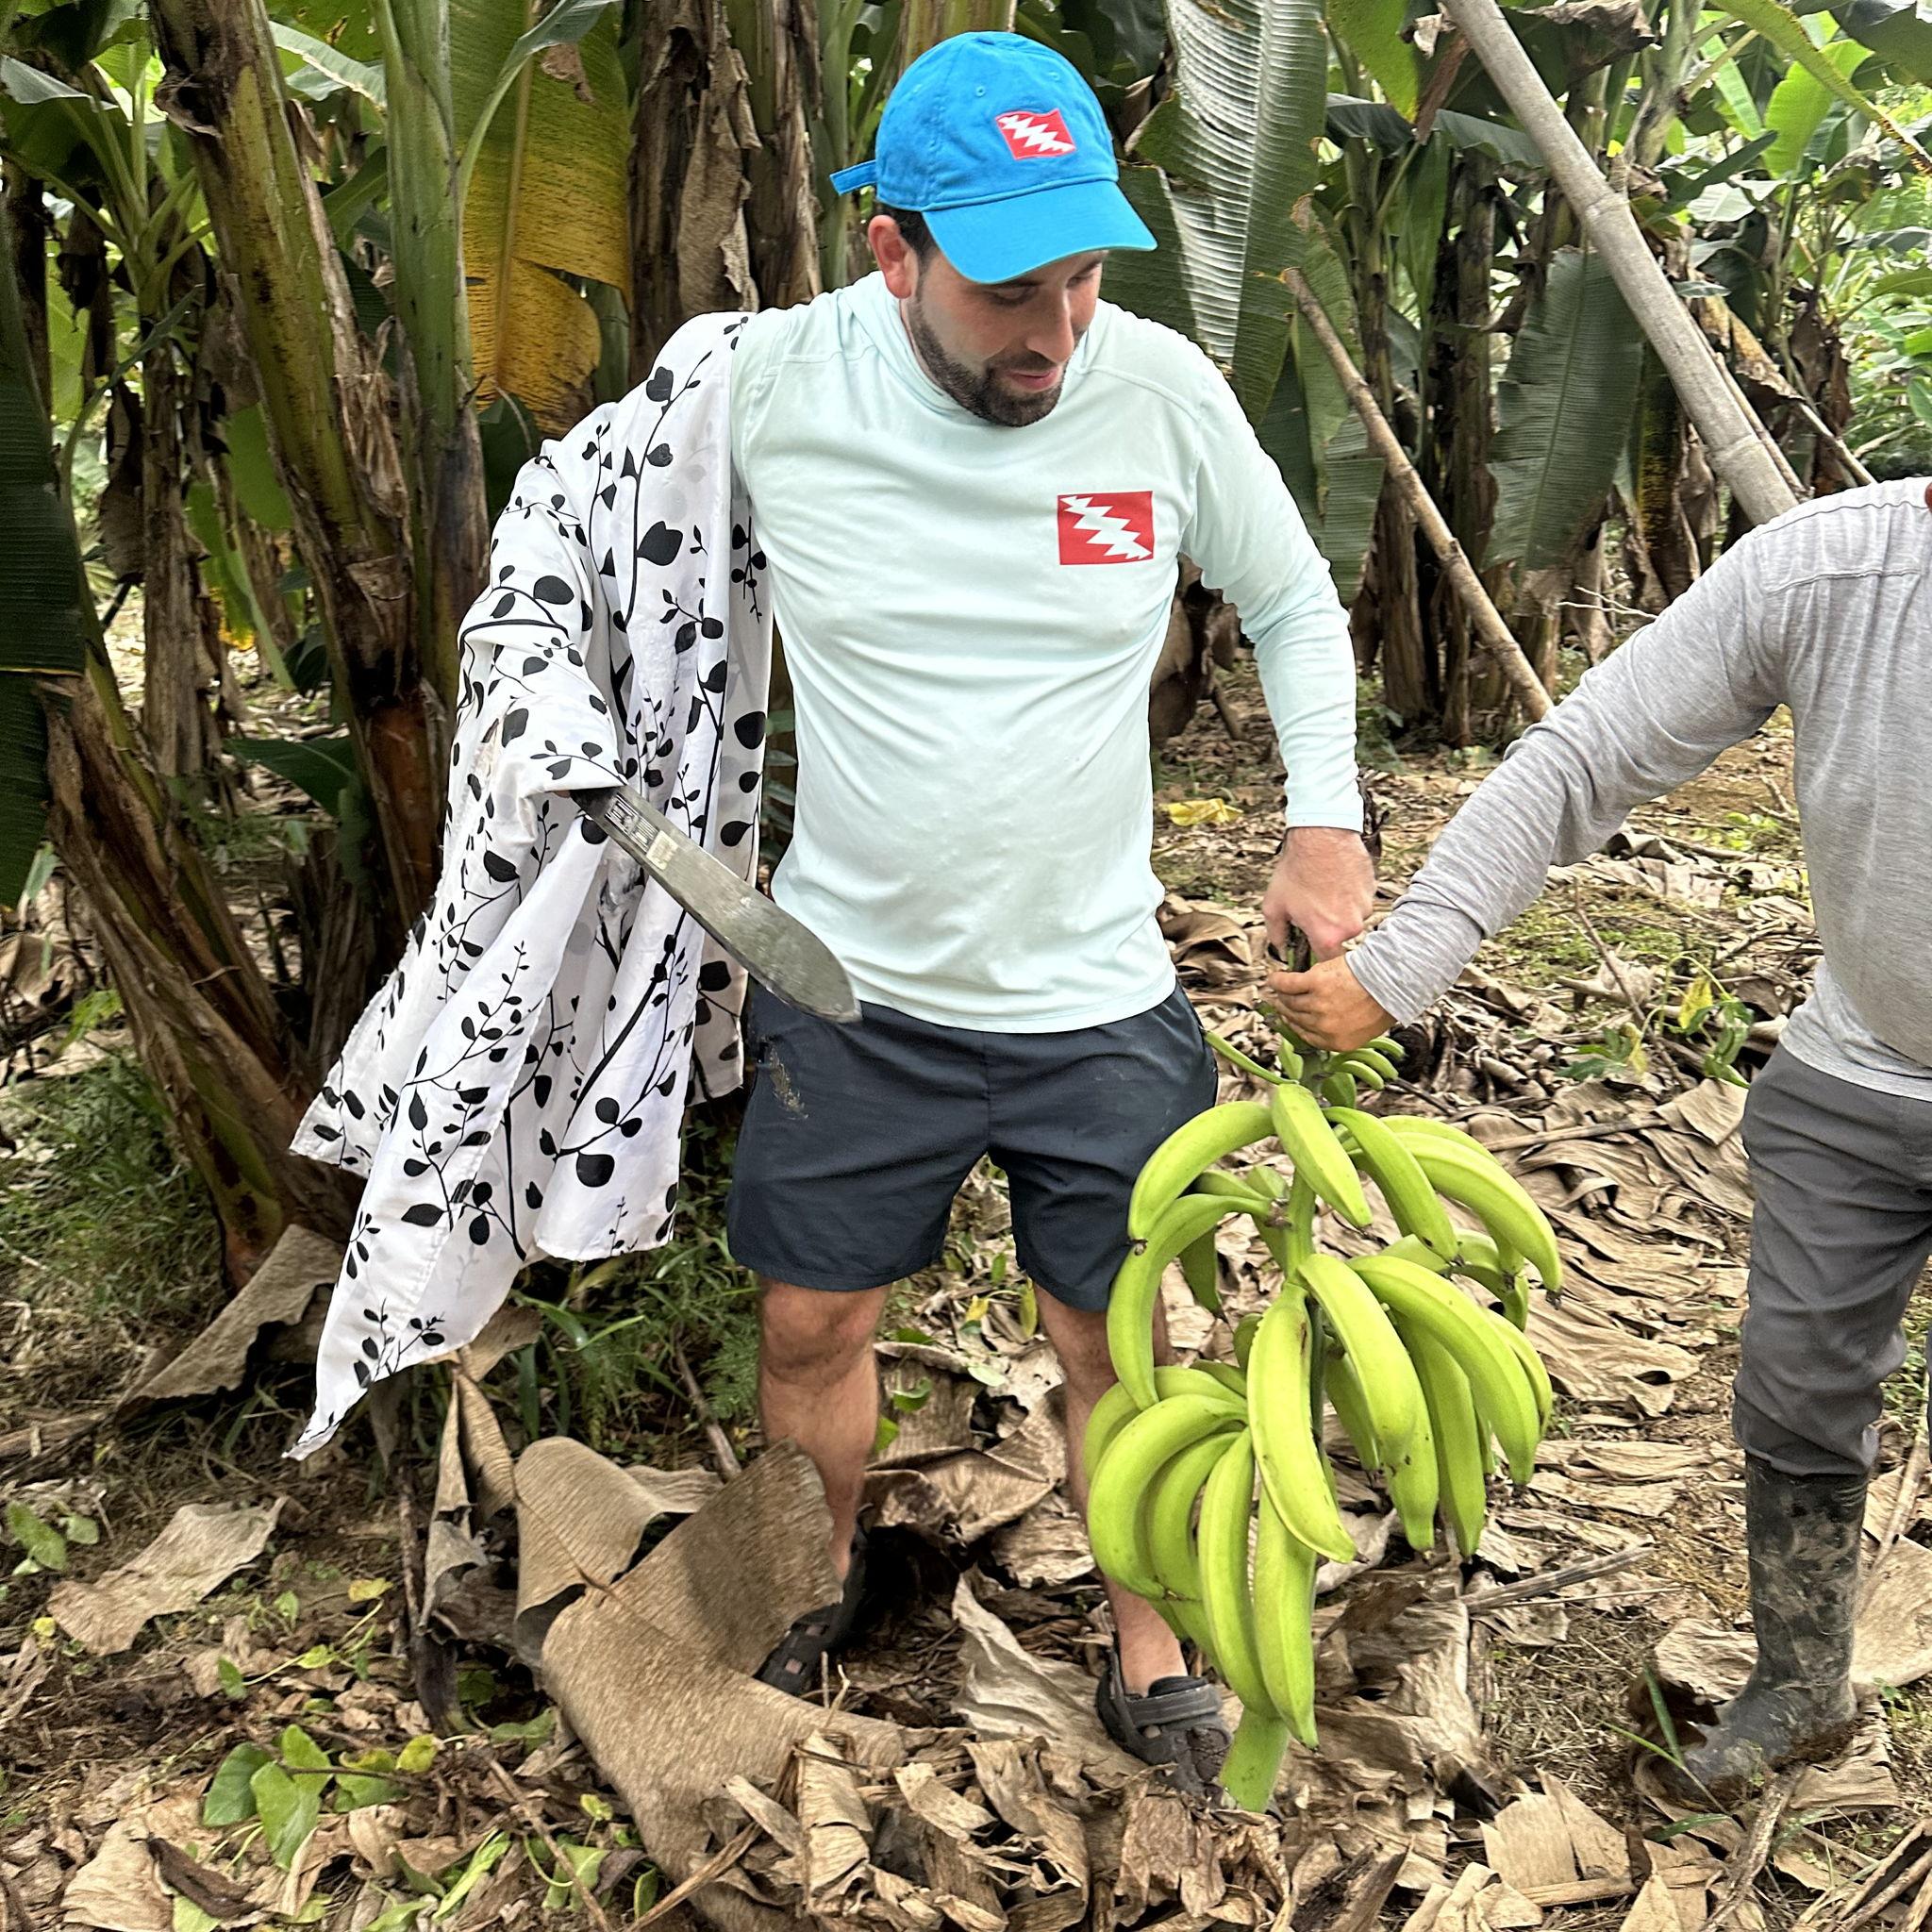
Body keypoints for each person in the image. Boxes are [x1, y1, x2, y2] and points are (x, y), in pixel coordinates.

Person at [723, 31, 1373, 1785]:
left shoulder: (1153, 393)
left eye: (1084, 275)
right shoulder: (769, 386)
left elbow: (1296, 600)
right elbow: (586, 545)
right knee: (812, 1321)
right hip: (852, 989)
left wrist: (1328, 830)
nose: (1056, 332)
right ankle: (818, 1572)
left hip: (1095, 990)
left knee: (1113, 1336)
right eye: (1013, 288)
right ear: (894, 253)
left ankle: (1145, 1637)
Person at [1272, 478, 1932, 1805]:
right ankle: (1803, 1683)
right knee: (1799, 1389)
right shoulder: (1836, 573)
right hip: (1863, 1069)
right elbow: (1585, 757)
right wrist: (1401, 965)